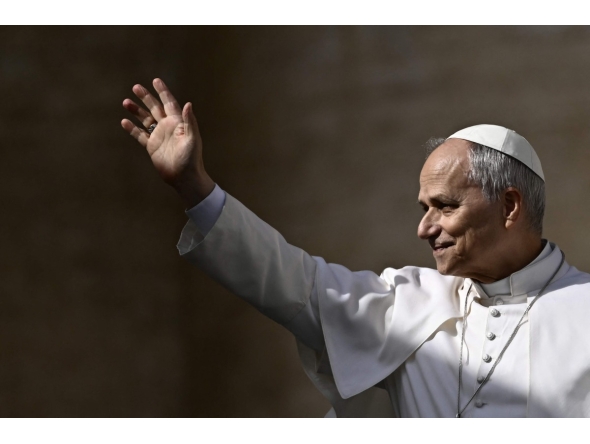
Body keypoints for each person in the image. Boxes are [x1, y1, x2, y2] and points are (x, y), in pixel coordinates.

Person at [121, 78, 590, 418]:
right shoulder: (406, 303)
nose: (425, 228)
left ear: (509, 206)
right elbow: (292, 282)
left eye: (444, 207)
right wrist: (195, 187)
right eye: (423, 208)